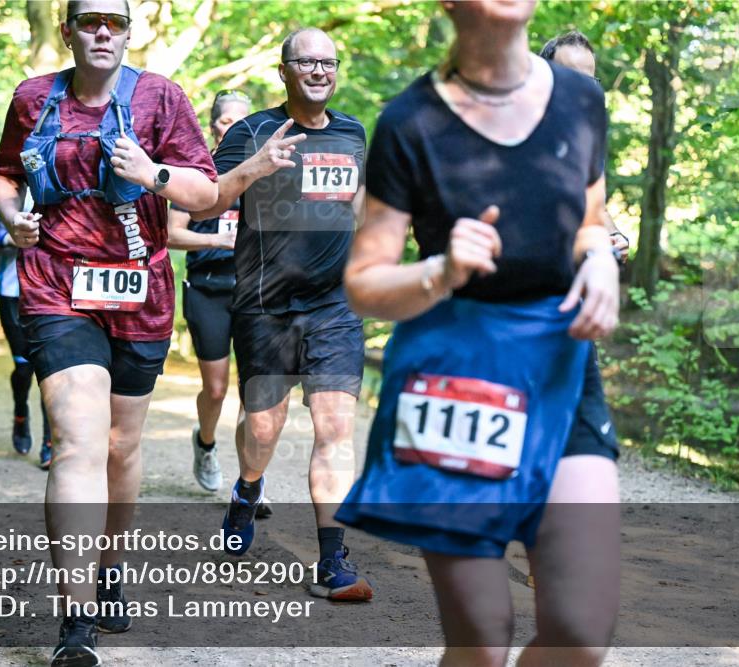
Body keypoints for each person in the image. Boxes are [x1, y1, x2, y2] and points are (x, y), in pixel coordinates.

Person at [338, 2, 620, 666]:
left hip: (558, 366)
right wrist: (440, 269)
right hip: (455, 379)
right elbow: (363, 282)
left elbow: (590, 219)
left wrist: (601, 258)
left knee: (581, 630)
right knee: (482, 636)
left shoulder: (581, 99)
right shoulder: (410, 121)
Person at [0, 1, 218, 664]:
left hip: (140, 294)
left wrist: (154, 174)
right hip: (58, 287)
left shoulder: (162, 99)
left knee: (121, 447)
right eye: (89, 20)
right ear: (68, 31)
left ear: (127, 32)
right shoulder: (34, 98)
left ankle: (111, 565)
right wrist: (14, 218)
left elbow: (205, 194)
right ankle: (76, 618)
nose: (101, 31)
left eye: (114, 22)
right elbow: (5, 170)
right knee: (78, 441)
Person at [191, 27, 372, 601]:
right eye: (307, 62)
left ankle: (332, 559)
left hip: (335, 307)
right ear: (284, 70)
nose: (319, 71)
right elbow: (208, 199)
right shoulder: (250, 132)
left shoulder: (352, 133)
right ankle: (246, 492)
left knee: (336, 429)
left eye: (328, 62)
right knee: (264, 429)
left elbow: (361, 208)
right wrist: (255, 168)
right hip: (265, 308)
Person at [167, 90, 249, 494]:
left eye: (242, 120)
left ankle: (252, 479)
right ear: (213, 125)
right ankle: (206, 443)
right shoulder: (197, 170)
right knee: (216, 389)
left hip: (255, 291)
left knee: (256, 391)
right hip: (207, 289)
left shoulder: (262, 172)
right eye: (225, 120)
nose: (233, 126)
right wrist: (218, 240)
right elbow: (171, 234)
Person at [0, 191, 54, 470]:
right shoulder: (8, 190)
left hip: (56, 294)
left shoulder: (68, 178)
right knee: (24, 368)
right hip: (13, 291)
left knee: (51, 370)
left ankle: (51, 442)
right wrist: (6, 238)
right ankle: (21, 413)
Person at [540, 30, 630, 263]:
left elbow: (595, 208)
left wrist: (614, 236)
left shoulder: (586, 138)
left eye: (587, 81)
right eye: (569, 77)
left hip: (574, 278)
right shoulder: (518, 128)